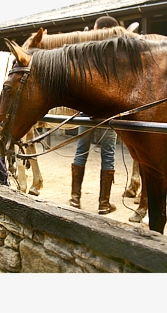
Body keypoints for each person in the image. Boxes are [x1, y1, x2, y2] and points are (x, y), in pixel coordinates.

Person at [69, 16, 119, 214]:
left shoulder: (87, 50)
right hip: (108, 111)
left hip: (86, 109)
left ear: (100, 29)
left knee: (81, 149)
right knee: (108, 154)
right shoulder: (116, 52)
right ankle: (104, 204)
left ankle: (75, 199)